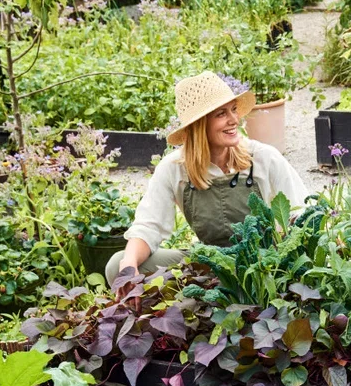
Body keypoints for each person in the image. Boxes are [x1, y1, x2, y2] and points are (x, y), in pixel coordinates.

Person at [106, 71, 308, 284]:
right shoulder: (175, 168)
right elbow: (149, 227)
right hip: (210, 264)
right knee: (118, 266)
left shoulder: (263, 158)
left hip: (265, 266)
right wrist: (129, 265)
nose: (234, 120)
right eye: (221, 114)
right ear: (200, 125)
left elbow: (302, 214)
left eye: (233, 110)